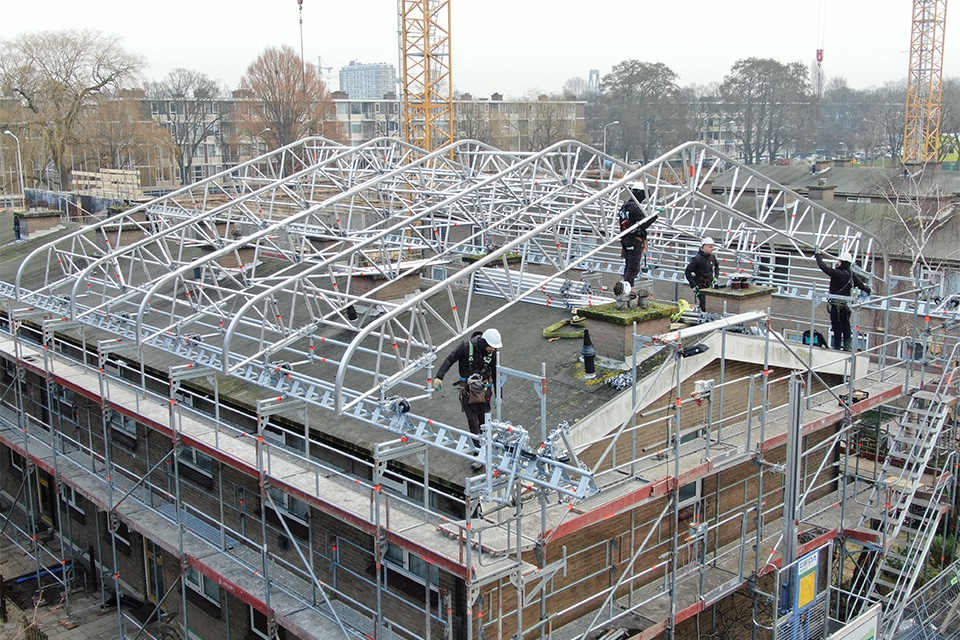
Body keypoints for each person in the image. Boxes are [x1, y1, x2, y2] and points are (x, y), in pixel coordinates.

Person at [432, 328, 502, 471]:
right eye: (491, 347)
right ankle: (479, 452)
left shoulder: (492, 353)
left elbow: (496, 372)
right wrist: (439, 376)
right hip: (468, 391)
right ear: (484, 343)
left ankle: (486, 449)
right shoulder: (465, 347)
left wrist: (499, 394)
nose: (493, 350)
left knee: (484, 421)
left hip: (484, 390)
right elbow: (450, 359)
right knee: (473, 421)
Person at [816, 250, 871, 351]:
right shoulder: (851, 274)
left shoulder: (837, 273)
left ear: (843, 263)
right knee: (846, 325)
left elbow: (824, 267)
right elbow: (861, 285)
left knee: (837, 326)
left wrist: (818, 255)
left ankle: (836, 347)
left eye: (840, 261)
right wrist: (869, 290)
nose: (838, 263)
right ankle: (847, 346)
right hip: (845, 307)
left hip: (836, 306)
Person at [618, 184, 659, 287]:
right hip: (634, 240)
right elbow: (642, 224)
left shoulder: (624, 206)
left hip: (625, 239)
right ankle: (627, 290)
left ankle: (625, 287)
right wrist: (654, 216)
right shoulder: (635, 208)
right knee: (633, 268)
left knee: (628, 266)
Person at [684, 237, 720, 311]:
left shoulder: (712, 257)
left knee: (709, 304)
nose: (712, 248)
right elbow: (688, 271)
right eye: (710, 247)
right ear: (704, 246)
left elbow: (717, 267)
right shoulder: (697, 259)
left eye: (713, 246)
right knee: (704, 304)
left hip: (709, 286)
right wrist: (693, 285)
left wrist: (716, 277)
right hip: (700, 286)